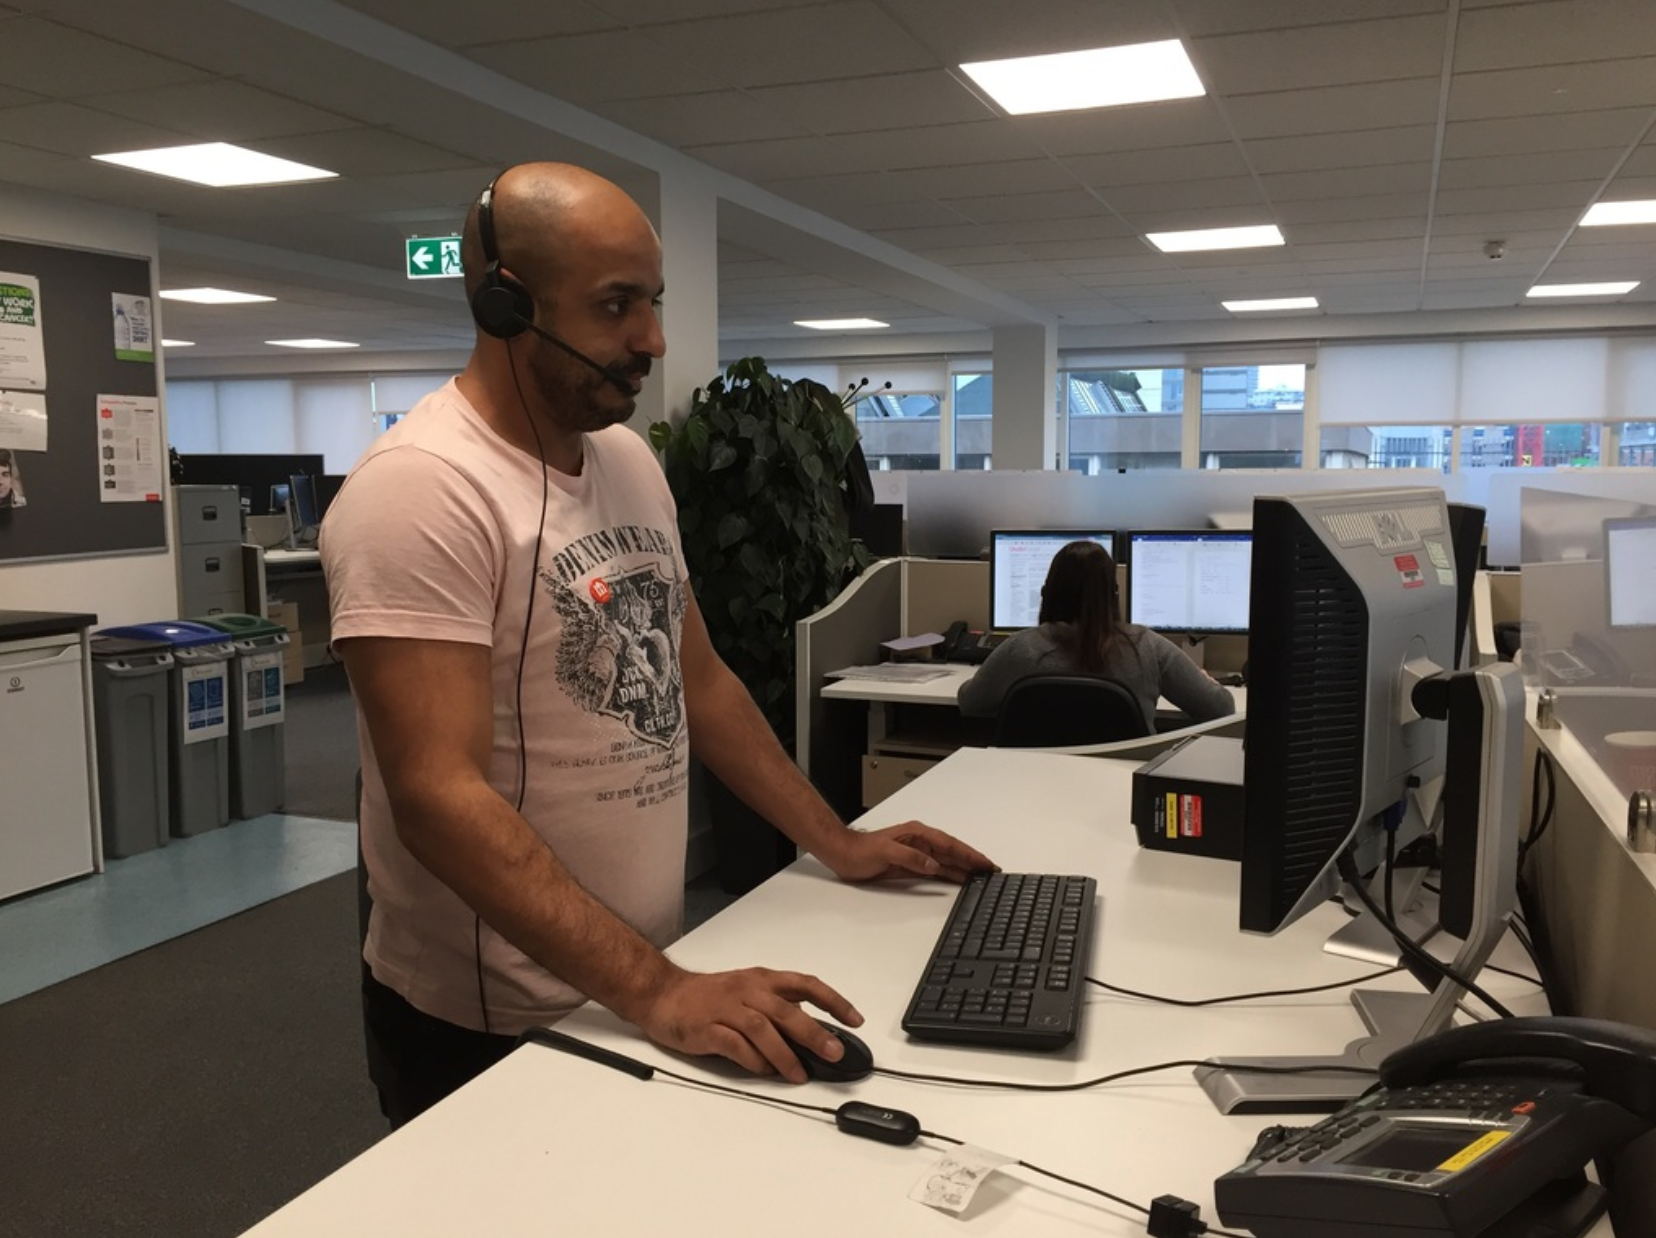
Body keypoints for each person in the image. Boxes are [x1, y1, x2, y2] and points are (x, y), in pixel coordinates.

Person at [321, 162, 996, 1127]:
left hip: (628, 978)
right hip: (490, 1018)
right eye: (615, 306)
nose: (652, 340)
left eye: (654, 301)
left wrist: (834, 840)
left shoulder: (630, 461)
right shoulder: (421, 489)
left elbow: (702, 682)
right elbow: (437, 798)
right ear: (507, 305)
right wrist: (658, 991)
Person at [957, 540, 1235, 726]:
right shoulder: (1148, 646)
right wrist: (1201, 679)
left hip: (1037, 785)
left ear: (1047, 592)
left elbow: (971, 704)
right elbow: (1220, 709)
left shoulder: (1019, 649)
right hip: (1121, 790)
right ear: (1112, 596)